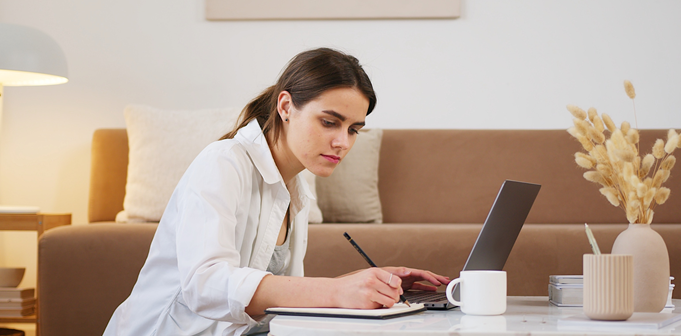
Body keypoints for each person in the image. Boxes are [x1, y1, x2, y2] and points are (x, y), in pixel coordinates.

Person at [103, 48, 450, 336]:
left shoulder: (295, 190)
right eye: (329, 122)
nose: (343, 142)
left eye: (354, 129)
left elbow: (284, 295)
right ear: (285, 107)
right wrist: (335, 292)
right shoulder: (224, 163)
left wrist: (367, 283)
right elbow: (205, 285)